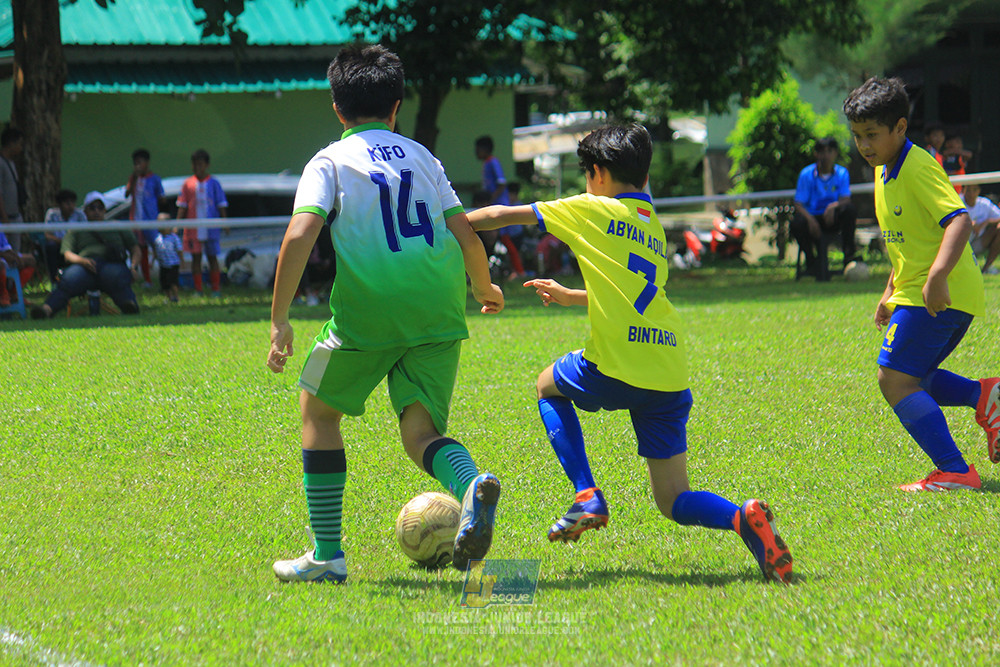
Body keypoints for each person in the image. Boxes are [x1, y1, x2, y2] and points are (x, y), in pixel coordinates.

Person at [467, 123, 793, 583]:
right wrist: (572, 295)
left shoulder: (590, 208)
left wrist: (447, 220)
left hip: (619, 363)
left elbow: (502, 213)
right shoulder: (652, 226)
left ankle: (585, 494)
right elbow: (636, 292)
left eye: (585, 174)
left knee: (547, 385)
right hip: (668, 370)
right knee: (673, 499)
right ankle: (746, 519)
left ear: (597, 173)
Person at [265, 44, 505, 584]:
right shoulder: (423, 156)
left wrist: (280, 318)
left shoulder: (328, 161)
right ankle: (468, 487)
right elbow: (463, 230)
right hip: (438, 307)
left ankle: (327, 555)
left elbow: (301, 231)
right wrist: (484, 285)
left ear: (336, 106)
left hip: (368, 315)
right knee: (419, 431)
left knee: (317, 409)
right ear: (396, 107)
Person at [843, 76, 998, 491]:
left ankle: (955, 471)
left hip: (942, 294)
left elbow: (959, 219)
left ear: (899, 128)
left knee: (893, 378)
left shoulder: (917, 165)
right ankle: (985, 396)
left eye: (872, 135)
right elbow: (909, 238)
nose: (864, 145)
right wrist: (889, 290)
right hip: (917, 292)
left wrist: (936, 276)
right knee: (916, 376)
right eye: (857, 136)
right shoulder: (883, 170)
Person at [30, 191, 141, 319]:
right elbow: (67, 253)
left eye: (100, 207)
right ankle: (46, 311)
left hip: (111, 264)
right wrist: (82, 261)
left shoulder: (116, 226)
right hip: (84, 267)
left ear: (105, 210)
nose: (96, 211)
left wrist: (133, 267)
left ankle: (130, 306)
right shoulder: (76, 229)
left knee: (117, 278)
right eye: (92, 208)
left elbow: (135, 248)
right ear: (85, 211)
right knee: (68, 280)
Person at [789, 136, 857, 281]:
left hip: (832, 218)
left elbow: (846, 199)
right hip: (812, 217)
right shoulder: (806, 174)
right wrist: (811, 220)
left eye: (829, 151)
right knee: (796, 223)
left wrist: (833, 207)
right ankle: (811, 261)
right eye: (822, 151)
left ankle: (849, 257)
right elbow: (799, 204)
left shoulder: (842, 173)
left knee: (849, 210)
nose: (825, 156)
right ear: (816, 154)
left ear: (835, 153)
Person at [176, 148, 227, 297]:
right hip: (193, 228)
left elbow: (221, 204)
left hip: (211, 228)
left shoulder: (214, 183)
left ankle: (215, 289)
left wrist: (225, 222)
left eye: (200, 164)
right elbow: (182, 206)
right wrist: (177, 224)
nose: (198, 167)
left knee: (212, 257)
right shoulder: (187, 184)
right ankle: (198, 289)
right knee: (196, 258)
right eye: (195, 164)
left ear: (207, 165)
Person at [475, 135, 525, 278]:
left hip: (498, 207)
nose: (476, 152)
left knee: (505, 239)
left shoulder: (493, 162)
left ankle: (519, 271)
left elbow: (501, 183)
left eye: (478, 149)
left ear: (485, 149)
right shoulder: (487, 163)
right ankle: (511, 270)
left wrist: (490, 200)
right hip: (494, 205)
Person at [126, 148, 165, 287]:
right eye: (135, 163)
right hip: (136, 221)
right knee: (140, 249)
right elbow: (126, 194)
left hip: (151, 221)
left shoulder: (154, 179)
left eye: (140, 163)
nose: (137, 166)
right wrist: (134, 178)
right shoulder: (134, 178)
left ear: (147, 163)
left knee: (159, 248)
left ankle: (164, 279)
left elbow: (162, 199)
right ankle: (146, 279)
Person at [42, 189, 86, 283]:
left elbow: (85, 234)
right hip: (58, 246)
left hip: (75, 247)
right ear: (59, 205)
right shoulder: (52, 214)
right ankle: (54, 280)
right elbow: (48, 235)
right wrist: (63, 242)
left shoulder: (79, 215)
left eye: (72, 203)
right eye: (67, 203)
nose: (70, 206)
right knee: (50, 247)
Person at [961, 183, 1000, 274]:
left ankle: (986, 268)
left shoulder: (984, 203)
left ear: (979, 191)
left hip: (978, 243)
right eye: (968, 190)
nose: (971, 193)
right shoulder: (957, 202)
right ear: (963, 190)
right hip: (960, 243)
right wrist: (968, 224)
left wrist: (986, 222)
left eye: (974, 190)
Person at [0, 127, 26, 254]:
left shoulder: (11, 163)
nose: (21, 148)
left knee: (16, 255)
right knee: (7, 255)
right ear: (11, 143)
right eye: (20, 144)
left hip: (15, 217)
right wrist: (5, 219)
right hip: (6, 219)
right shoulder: (1, 163)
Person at [0, 229, 36, 308]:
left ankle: (14, 294)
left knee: (31, 260)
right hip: (2, 259)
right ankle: (3, 295)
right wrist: (4, 255)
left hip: (3, 257)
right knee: (0, 264)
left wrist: (16, 257)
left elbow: (6, 247)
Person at [152, 218, 182, 303]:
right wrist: (152, 261)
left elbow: (179, 250)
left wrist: (182, 261)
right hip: (163, 264)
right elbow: (156, 251)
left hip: (173, 264)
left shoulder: (174, 238)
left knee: (173, 282)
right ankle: (169, 298)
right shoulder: (158, 238)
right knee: (164, 283)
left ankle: (176, 297)